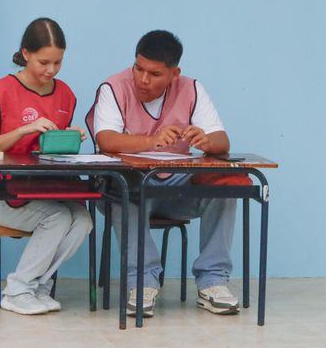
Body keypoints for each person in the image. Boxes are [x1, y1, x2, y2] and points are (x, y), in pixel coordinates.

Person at [85, 30, 239, 317]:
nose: (142, 79)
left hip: (177, 186)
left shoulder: (192, 89)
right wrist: (150, 140)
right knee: (123, 188)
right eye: (138, 68)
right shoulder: (113, 87)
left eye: (154, 74)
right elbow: (106, 140)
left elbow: (222, 140)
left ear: (175, 73)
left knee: (224, 187)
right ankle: (141, 282)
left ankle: (213, 281)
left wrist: (207, 141)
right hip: (131, 184)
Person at [0, 17, 93, 315]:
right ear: (26, 53)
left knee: (82, 220)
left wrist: (70, 139)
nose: (51, 70)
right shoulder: (2, 90)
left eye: (58, 62)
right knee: (56, 218)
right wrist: (21, 132)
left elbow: (50, 153)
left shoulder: (65, 94)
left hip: (45, 189)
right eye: (44, 62)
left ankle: (38, 286)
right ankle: (17, 289)